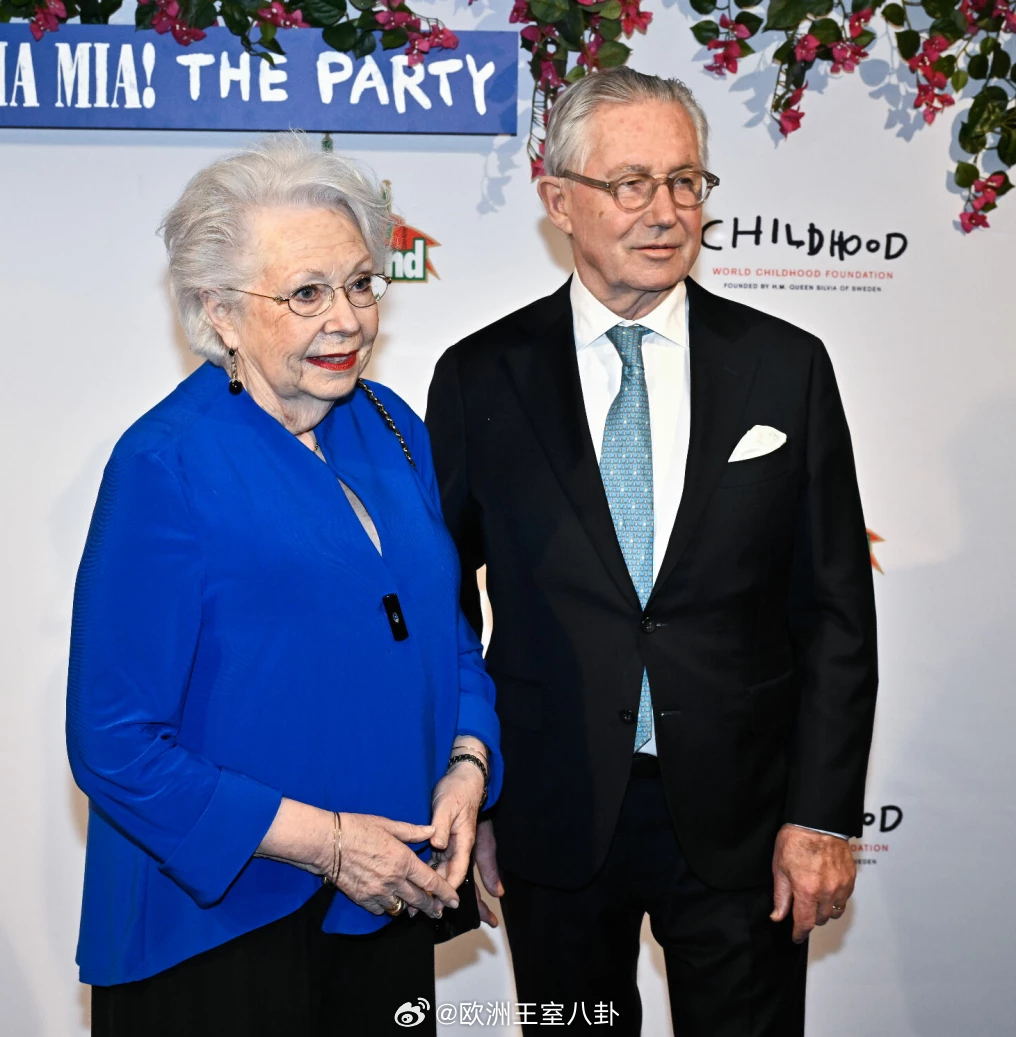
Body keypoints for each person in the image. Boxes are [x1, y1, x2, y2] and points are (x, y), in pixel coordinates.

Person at [426, 67, 877, 1036]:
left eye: (685, 181)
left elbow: (836, 612)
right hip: (552, 815)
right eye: (630, 183)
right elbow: (441, 605)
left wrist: (823, 814)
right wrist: (472, 782)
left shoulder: (784, 366)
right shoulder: (479, 377)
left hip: (748, 823)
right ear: (558, 201)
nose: (666, 210)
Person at [66, 136, 501, 1037]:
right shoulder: (164, 465)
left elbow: (447, 633)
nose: (348, 320)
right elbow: (113, 742)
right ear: (220, 312)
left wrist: (469, 764)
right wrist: (333, 845)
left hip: (386, 899)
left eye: (361, 284)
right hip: (217, 929)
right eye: (307, 293)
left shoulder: (391, 424)